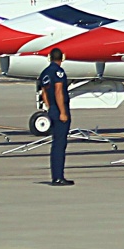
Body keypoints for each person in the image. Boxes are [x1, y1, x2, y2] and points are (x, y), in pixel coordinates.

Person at [38, 48, 73, 185]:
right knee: (60, 144)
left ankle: (56, 175)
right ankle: (58, 177)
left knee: (56, 143)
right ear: (62, 58)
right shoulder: (58, 72)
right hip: (59, 110)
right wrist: (62, 111)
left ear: (49, 57)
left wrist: (49, 107)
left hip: (52, 109)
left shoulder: (45, 72)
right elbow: (58, 91)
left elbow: (44, 92)